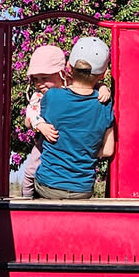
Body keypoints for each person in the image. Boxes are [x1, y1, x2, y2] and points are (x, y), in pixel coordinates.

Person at [32, 35, 115, 199]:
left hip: (48, 185)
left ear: (69, 67)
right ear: (104, 74)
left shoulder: (52, 97)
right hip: (82, 189)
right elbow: (108, 150)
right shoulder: (104, 104)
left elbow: (33, 119)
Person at [16, 44, 68, 200]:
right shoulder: (38, 96)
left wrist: (102, 87)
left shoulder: (71, 89)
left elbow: (88, 85)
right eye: (35, 79)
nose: (39, 83)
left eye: (45, 78)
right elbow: (31, 113)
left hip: (66, 142)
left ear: (61, 74)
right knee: (30, 171)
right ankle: (26, 200)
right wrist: (40, 125)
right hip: (43, 142)